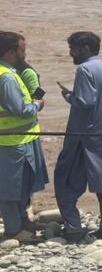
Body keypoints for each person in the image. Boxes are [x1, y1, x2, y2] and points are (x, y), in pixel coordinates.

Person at [54, 31, 102, 243]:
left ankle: (73, 228)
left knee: (64, 180)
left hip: (84, 136)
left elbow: (85, 102)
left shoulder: (84, 69)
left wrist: (67, 95)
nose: (70, 53)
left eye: (73, 48)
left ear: (85, 49)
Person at [0, 32, 46, 243]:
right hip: (11, 142)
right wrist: (37, 105)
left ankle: (21, 221)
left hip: (23, 138)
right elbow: (20, 110)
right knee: (11, 188)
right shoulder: (7, 77)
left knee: (23, 186)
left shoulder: (10, 71)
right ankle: (12, 230)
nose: (25, 54)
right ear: (10, 52)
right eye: (22, 50)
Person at [14, 59, 49, 225]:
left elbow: (36, 100)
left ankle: (23, 214)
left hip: (22, 135)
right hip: (14, 134)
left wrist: (36, 104)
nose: (24, 55)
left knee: (23, 179)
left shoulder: (25, 72)